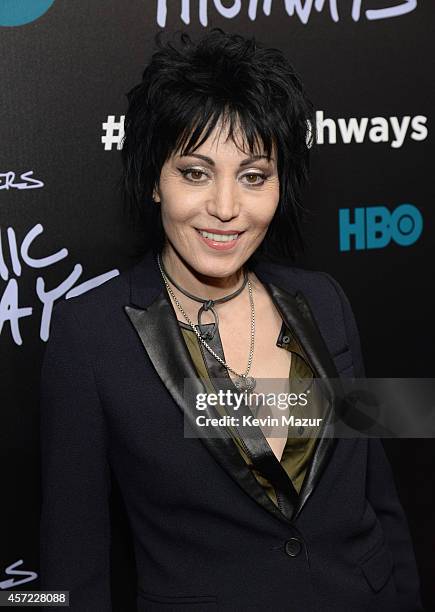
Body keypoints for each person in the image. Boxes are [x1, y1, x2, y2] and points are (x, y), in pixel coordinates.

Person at [39, 29, 423, 611]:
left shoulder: (325, 301)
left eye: (253, 175)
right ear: (153, 180)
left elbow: (380, 499)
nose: (225, 207)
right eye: (195, 172)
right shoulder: (90, 337)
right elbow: (72, 568)